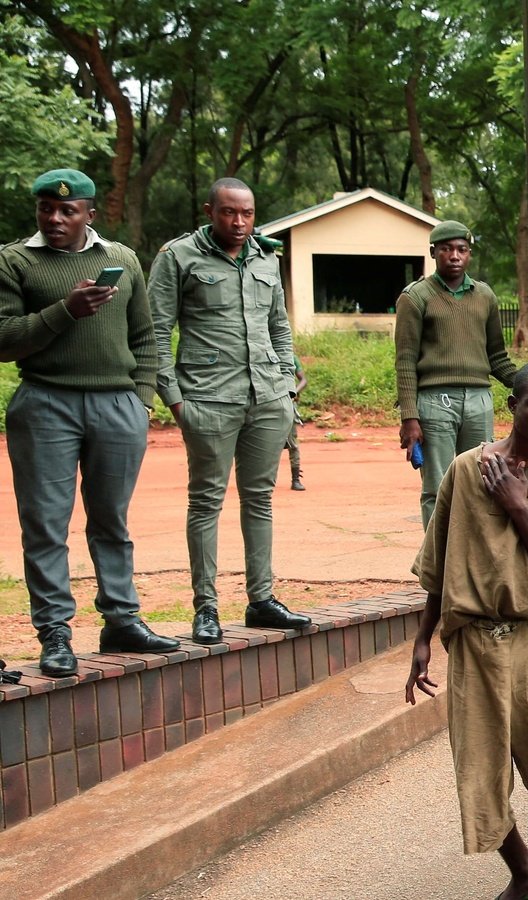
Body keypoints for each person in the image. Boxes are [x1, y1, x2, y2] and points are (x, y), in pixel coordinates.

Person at [407, 360, 528, 900]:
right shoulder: (466, 471)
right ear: (512, 405)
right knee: (481, 778)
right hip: (474, 643)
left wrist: (518, 507)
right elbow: (439, 561)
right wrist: (423, 639)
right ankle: (519, 869)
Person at [0, 168, 180, 676]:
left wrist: (141, 400)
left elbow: (146, 336)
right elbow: (5, 339)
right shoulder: (15, 261)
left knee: (111, 522)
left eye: (67, 210)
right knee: (45, 526)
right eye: (46, 209)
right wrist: (66, 310)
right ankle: (55, 633)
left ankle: (122, 620)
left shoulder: (120, 260)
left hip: (116, 407)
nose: (55, 219)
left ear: (89, 214)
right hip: (45, 404)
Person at [149, 177, 310, 644]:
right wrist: (176, 401)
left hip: (267, 399)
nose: (239, 222)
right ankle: (206, 607)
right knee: (206, 502)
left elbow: (279, 326)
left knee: (259, 500)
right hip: (207, 400)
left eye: (247, 214)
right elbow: (157, 333)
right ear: (209, 211)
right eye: (228, 213)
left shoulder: (265, 257)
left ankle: (261, 599)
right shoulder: (177, 257)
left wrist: (286, 388)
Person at [395, 220, 518, 529]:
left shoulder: (485, 296)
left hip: (479, 400)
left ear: (469, 254)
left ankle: (473, 561)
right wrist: (410, 418)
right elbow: (405, 361)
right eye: (447, 249)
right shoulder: (416, 298)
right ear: (433, 252)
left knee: (482, 482)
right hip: (435, 402)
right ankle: (437, 568)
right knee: (437, 487)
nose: (454, 256)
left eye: (461, 250)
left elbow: (497, 357)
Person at [283, 356, 306, 491]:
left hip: (287, 405)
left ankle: (295, 479)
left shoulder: (290, 356)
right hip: (266, 404)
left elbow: (303, 380)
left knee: (292, 443)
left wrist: (293, 392)